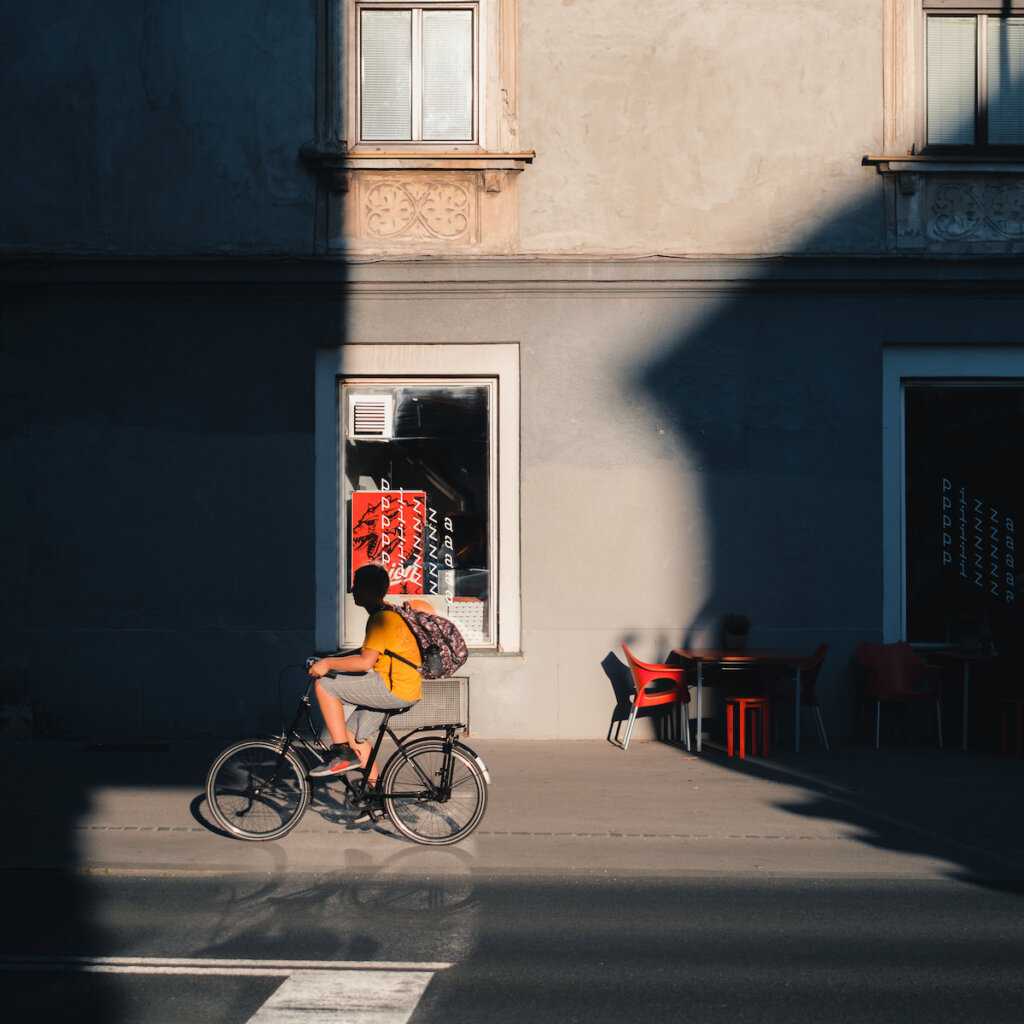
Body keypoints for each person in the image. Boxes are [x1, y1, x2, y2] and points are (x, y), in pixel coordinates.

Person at [306, 563, 422, 783]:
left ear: (370, 590)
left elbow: (365, 662)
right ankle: (375, 796)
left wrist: (328, 665)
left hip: (393, 687)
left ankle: (341, 754)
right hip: (403, 687)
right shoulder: (386, 613)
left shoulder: (381, 619)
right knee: (354, 736)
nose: (352, 591)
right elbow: (367, 652)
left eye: (356, 586)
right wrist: (330, 660)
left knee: (324, 686)